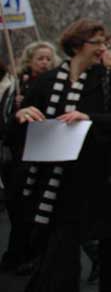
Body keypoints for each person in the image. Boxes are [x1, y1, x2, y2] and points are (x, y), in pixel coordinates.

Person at [14, 19, 111, 292]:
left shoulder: (108, 81)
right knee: (60, 256)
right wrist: (21, 114)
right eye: (97, 43)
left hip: (101, 181)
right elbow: (17, 128)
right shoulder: (47, 82)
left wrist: (88, 118)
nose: (102, 49)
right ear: (78, 46)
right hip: (59, 184)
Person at [1, 41, 59, 274]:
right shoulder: (16, 86)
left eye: (48, 58)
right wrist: (17, 111)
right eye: (39, 58)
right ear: (30, 61)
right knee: (17, 206)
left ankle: (33, 256)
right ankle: (16, 253)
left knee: (36, 209)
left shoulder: (57, 85)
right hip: (18, 154)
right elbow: (6, 125)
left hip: (44, 153)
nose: (44, 63)